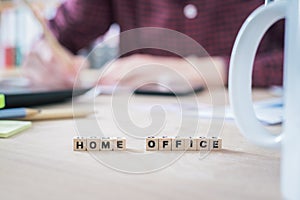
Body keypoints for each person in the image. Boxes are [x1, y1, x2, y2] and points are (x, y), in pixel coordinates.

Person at [23, 0, 283, 89]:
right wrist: (48, 60)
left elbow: (293, 61)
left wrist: (200, 71)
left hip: (253, 131)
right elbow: (59, 38)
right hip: (138, 123)